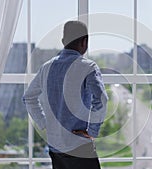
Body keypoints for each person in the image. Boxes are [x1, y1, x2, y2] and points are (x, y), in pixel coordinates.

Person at [23, 21, 108, 169]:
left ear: (63, 41)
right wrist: (92, 131)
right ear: (85, 42)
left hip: (56, 146)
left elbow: (28, 97)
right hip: (79, 146)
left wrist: (44, 123)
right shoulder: (88, 67)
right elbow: (101, 99)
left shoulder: (46, 67)